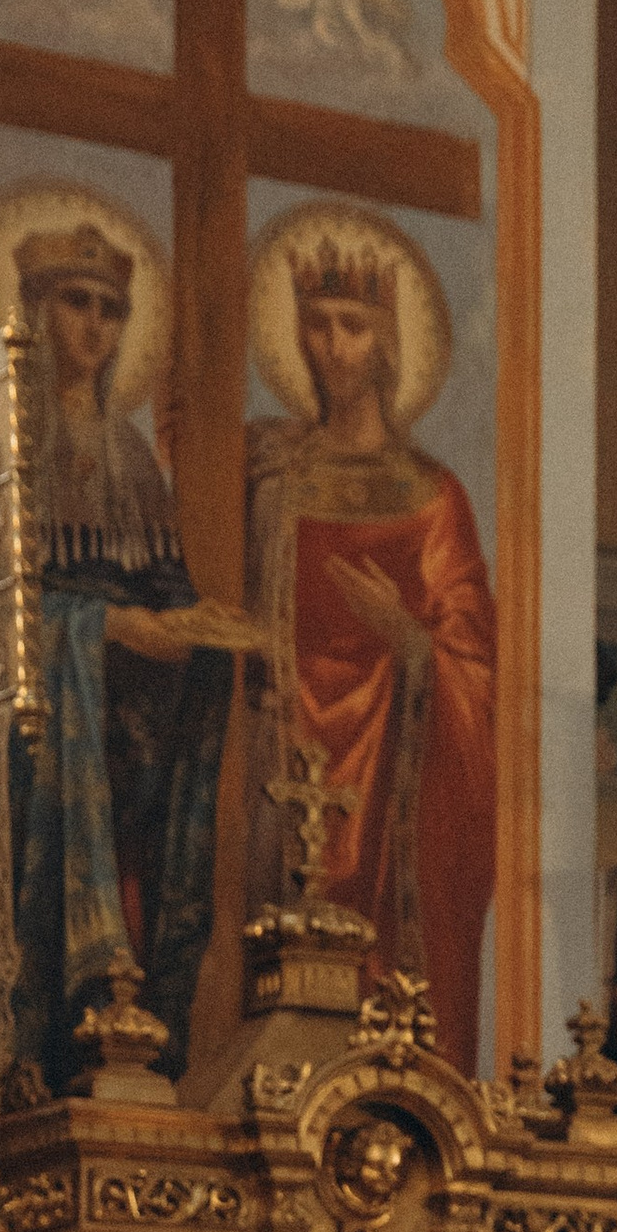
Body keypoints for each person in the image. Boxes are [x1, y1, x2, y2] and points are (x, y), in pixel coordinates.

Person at [9, 217, 260, 1083]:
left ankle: (129, 1033)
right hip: (48, 735)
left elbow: (165, 585)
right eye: (75, 303)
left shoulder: (130, 454)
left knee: (143, 896)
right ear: (37, 310)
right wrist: (106, 628)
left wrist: (209, 631)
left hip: (133, 734)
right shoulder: (11, 446)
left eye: (110, 310)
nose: (93, 326)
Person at [247, 224, 497, 1070]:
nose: (331, 348)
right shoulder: (272, 479)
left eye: (353, 326)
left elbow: (472, 662)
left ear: (388, 343)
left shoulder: (433, 498)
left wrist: (409, 638)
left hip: (393, 781)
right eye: (316, 325)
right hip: (281, 762)